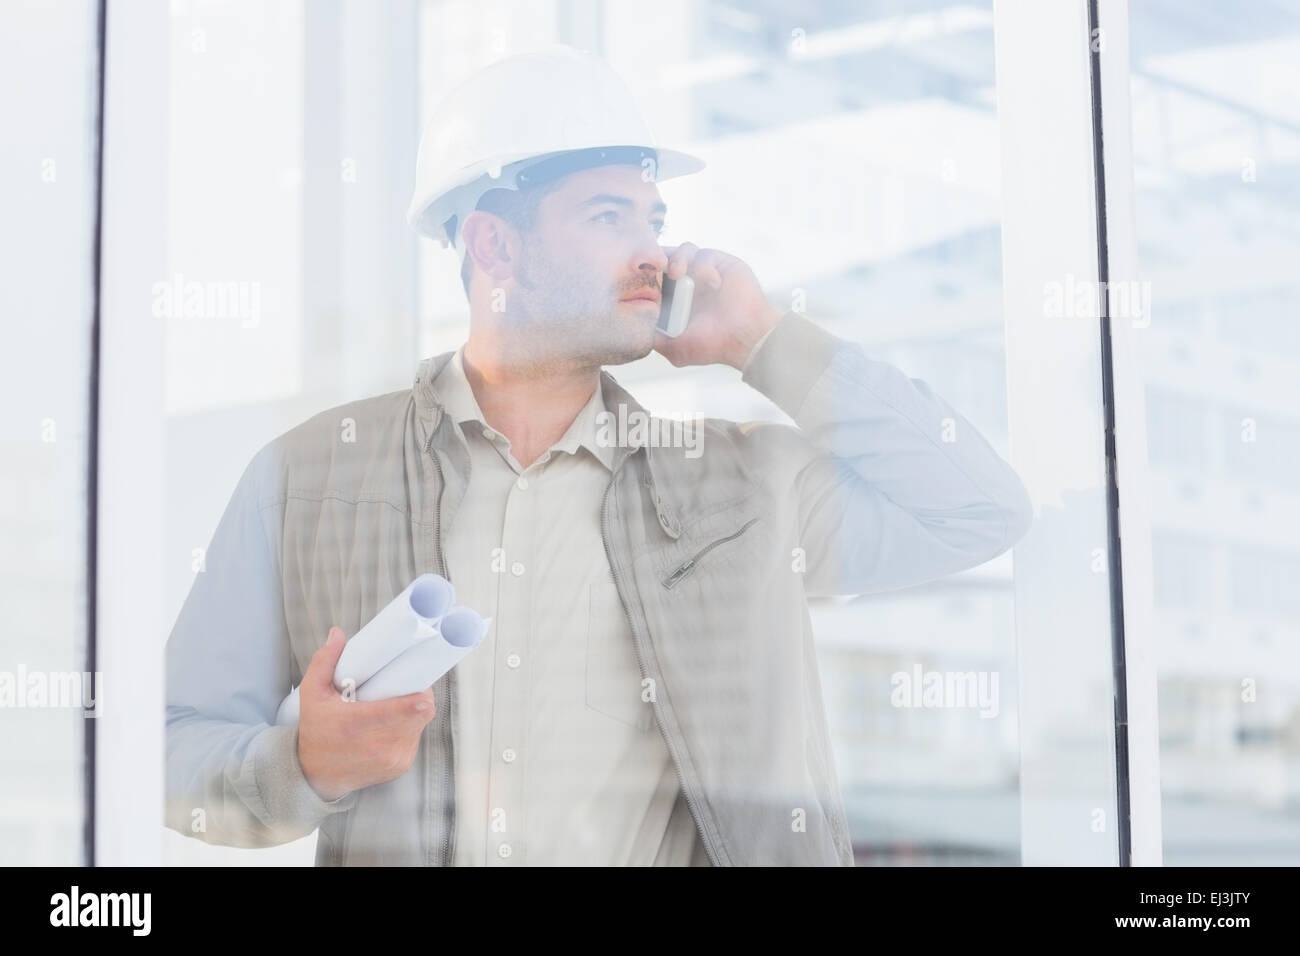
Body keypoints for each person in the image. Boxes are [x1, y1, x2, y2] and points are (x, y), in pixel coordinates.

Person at [164, 46, 1033, 866]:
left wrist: (764, 343)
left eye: (653, 219)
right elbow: (167, 743)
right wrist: (304, 766)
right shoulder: (309, 479)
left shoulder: (741, 489)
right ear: (494, 246)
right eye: (609, 217)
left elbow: (978, 509)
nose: (652, 250)